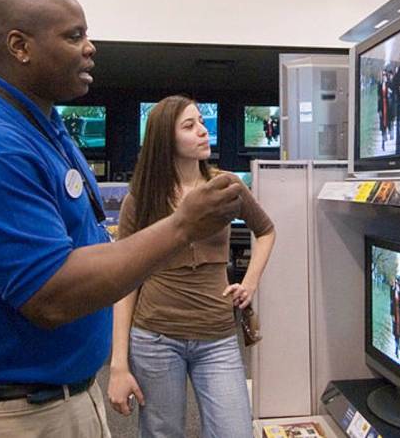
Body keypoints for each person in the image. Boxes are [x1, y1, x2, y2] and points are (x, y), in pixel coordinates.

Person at [0, 0, 243, 438]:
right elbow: (51, 295)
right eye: (74, 36)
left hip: (60, 396)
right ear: (20, 47)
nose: (90, 47)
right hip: (13, 412)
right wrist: (183, 226)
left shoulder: (42, 127)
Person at [107, 95, 276, 438]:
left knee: (235, 432)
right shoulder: (141, 198)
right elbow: (125, 282)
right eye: (189, 125)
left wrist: (250, 282)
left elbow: (266, 230)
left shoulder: (226, 186)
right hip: (155, 336)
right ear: (165, 139)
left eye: (201, 121)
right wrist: (118, 365)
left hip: (217, 335)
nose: (202, 130)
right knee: (163, 433)